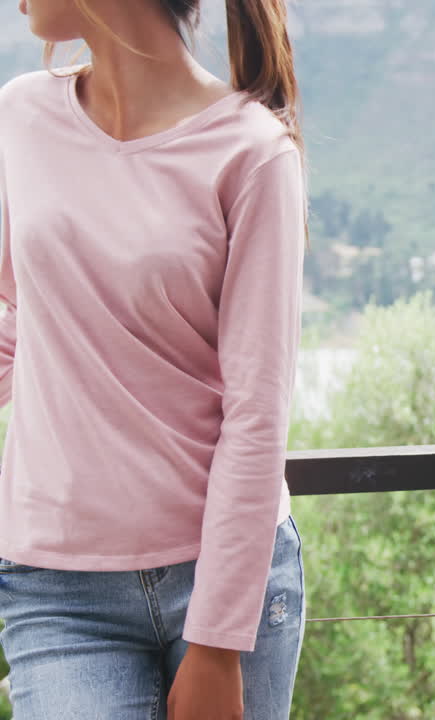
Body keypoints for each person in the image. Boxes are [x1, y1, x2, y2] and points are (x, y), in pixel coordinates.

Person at [0, 1, 306, 718]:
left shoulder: (254, 152)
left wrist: (217, 642)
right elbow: (16, 317)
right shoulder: (19, 117)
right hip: (57, 586)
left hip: (224, 582)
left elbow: (258, 410)